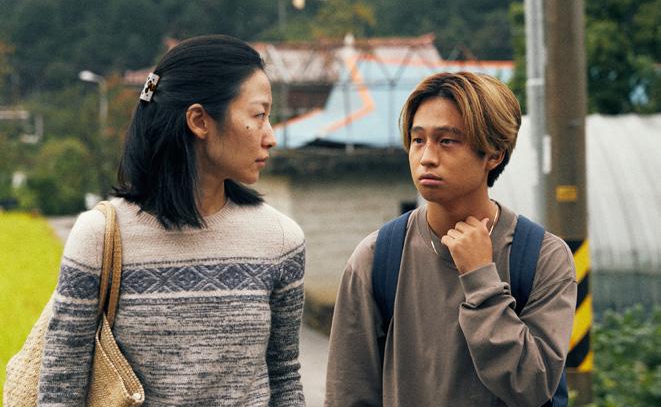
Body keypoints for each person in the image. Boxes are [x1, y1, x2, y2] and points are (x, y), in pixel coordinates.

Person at [38, 35, 306, 406]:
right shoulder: (99, 237)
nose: (271, 136)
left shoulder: (280, 240)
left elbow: (285, 379)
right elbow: (60, 388)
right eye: (259, 115)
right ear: (199, 120)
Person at [325, 71, 577, 406]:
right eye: (418, 140)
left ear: (493, 153)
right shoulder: (376, 258)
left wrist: (481, 281)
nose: (426, 157)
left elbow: (533, 386)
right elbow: (347, 395)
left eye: (446, 141)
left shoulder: (542, 257)